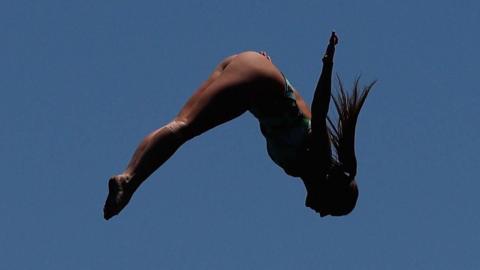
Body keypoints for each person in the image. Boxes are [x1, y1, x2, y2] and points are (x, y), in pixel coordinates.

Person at [103, 32, 375, 220]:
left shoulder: (303, 168)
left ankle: (129, 178)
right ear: (331, 192)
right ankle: (128, 180)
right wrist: (327, 64)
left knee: (181, 124)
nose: (323, 214)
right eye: (331, 210)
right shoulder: (318, 158)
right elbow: (319, 108)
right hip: (259, 81)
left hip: (254, 73)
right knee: (184, 127)